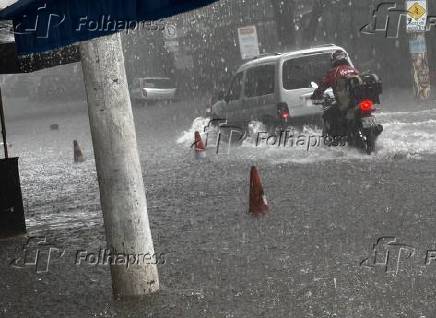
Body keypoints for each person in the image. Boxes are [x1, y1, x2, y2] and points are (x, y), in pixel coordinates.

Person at [312, 50, 360, 133]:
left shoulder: (333, 72)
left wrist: (316, 94)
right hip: (359, 100)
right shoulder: (353, 70)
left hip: (346, 103)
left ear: (333, 60)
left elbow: (323, 85)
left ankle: (336, 137)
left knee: (328, 113)